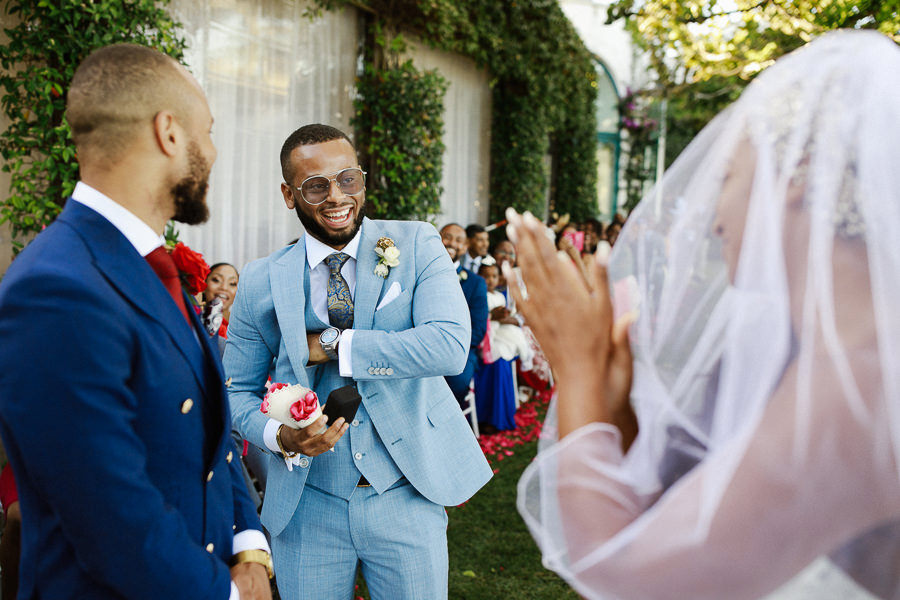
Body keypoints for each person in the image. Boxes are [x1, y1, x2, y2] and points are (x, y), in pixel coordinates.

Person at [509, 31, 900, 600]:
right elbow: (701, 527)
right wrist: (615, 414)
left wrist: (579, 371)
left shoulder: (856, 385)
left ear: (798, 174)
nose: (716, 219)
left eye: (728, 179)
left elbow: (628, 577)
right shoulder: (850, 354)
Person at [0, 44, 271, 600]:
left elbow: (210, 439)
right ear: (169, 133)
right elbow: (110, 517)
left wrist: (249, 547)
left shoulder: (148, 266)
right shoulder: (56, 288)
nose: (214, 152)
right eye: (209, 131)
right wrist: (229, 596)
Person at [225, 124, 492, 600]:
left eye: (348, 179)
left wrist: (331, 343)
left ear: (362, 181)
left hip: (405, 491)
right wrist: (280, 436)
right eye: (316, 185)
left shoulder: (415, 244)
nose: (337, 197)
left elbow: (449, 345)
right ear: (289, 195)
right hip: (307, 503)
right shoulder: (261, 279)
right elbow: (235, 391)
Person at [440, 223, 489, 408]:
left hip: (460, 349)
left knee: (456, 382)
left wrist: (449, 346)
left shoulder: (476, 283)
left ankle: (448, 429)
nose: (452, 243)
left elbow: (478, 330)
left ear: (465, 246)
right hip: (423, 345)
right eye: (447, 237)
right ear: (437, 238)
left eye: (459, 240)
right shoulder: (418, 272)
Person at [204, 262, 240, 329]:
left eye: (232, 283)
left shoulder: (241, 329)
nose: (224, 288)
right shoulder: (191, 318)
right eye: (216, 280)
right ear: (204, 282)